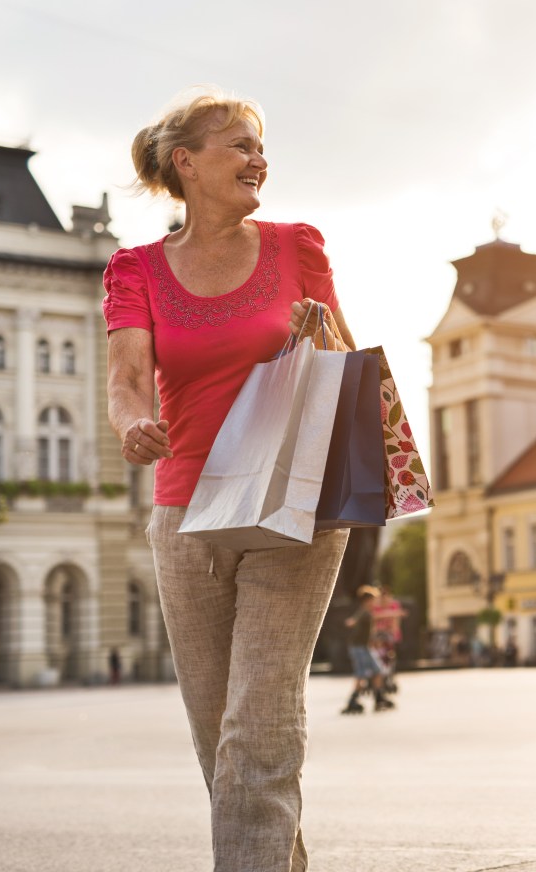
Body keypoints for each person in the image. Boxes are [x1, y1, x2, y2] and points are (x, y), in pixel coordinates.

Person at [104, 88, 356, 872]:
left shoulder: (296, 246)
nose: (259, 160)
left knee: (260, 724)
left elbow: (346, 365)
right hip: (186, 513)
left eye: (260, 146)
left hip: (295, 504)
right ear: (187, 162)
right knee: (219, 733)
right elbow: (126, 379)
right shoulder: (137, 269)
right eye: (241, 145)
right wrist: (131, 423)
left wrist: (318, 330)